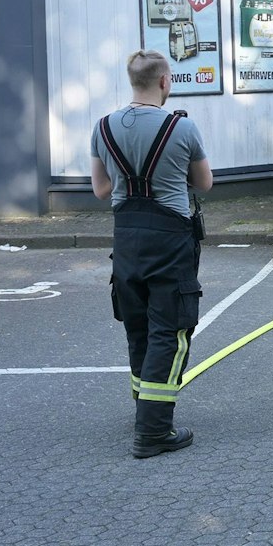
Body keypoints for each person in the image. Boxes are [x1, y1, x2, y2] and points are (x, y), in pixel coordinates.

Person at [91, 50, 213, 457]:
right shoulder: (182, 127)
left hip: (126, 238)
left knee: (138, 325)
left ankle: (145, 409)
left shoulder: (103, 127)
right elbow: (205, 183)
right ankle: (154, 431)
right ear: (165, 81)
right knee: (171, 330)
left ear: (132, 81)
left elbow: (101, 190)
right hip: (169, 239)